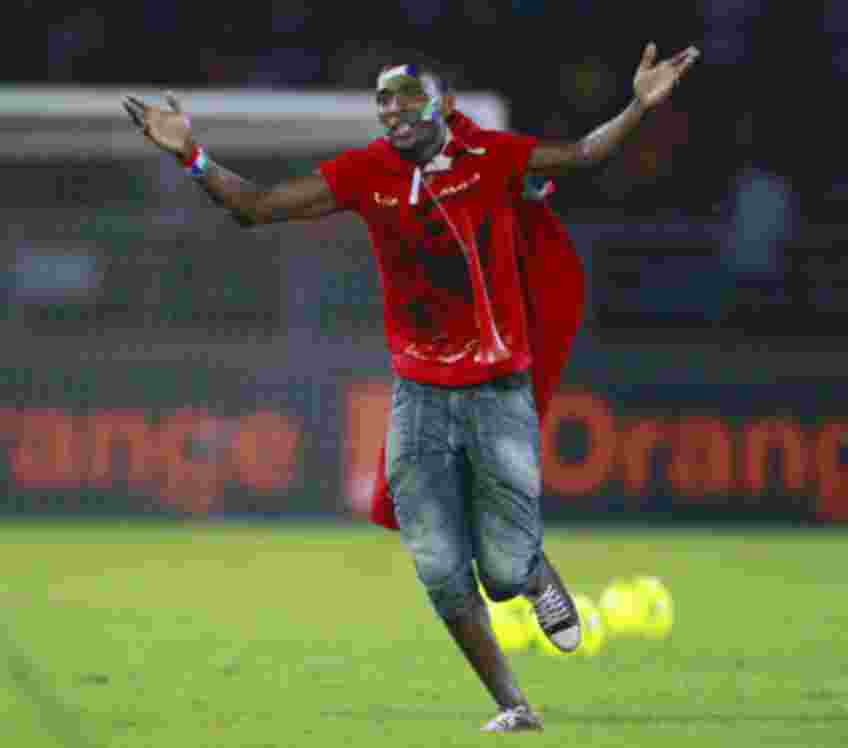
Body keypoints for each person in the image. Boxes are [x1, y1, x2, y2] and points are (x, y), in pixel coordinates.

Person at [122, 41, 699, 732]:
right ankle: (514, 705)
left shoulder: (490, 157)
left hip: (497, 390)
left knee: (505, 572)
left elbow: (582, 155)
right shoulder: (367, 172)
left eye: (405, 96)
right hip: (420, 395)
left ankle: (532, 572)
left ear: (444, 106)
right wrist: (192, 156)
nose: (392, 110)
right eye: (382, 101)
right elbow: (257, 207)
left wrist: (638, 105)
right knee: (439, 571)